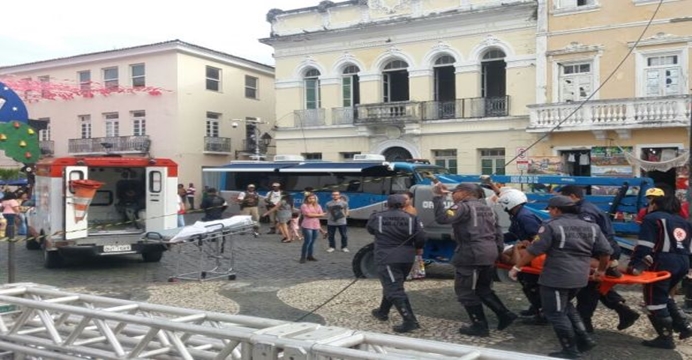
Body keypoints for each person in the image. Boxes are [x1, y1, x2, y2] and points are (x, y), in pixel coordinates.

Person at [510, 195, 612, 359]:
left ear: (556, 210)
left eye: (550, 209)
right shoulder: (592, 227)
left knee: (555, 313)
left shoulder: (551, 226)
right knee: (566, 306)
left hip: (557, 276)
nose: (549, 212)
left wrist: (516, 267)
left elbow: (534, 250)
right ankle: (584, 339)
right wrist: (600, 270)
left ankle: (570, 350)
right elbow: (606, 252)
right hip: (580, 276)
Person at [432, 182, 516, 337]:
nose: (453, 195)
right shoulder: (489, 209)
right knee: (483, 289)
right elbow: (498, 234)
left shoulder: (463, 207)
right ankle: (504, 314)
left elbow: (442, 218)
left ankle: (479, 326)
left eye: (455, 192)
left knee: (465, 291)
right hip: (489, 252)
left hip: (471, 254)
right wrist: (496, 253)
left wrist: (437, 198)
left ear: (464, 192)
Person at [560, 185, 639, 333]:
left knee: (588, 287)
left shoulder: (585, 212)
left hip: (600, 251)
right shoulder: (585, 208)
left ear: (572, 197)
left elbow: (587, 236)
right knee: (595, 285)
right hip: (603, 249)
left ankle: (584, 324)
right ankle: (623, 311)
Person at [628, 189, 692, 350]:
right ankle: (683, 326)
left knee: (654, 299)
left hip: (663, 262)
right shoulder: (685, 222)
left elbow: (645, 246)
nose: (648, 206)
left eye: (650, 203)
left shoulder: (652, 218)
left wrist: (634, 265)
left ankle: (665, 338)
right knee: (665, 295)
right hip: (683, 262)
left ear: (655, 204)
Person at [369, 194, 426, 333]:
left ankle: (410, 321)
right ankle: (383, 311)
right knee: (394, 284)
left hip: (387, 257)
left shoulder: (377, 216)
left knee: (394, 288)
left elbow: (370, 230)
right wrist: (417, 247)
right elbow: (421, 237)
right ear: (403, 204)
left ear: (387, 204)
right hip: (407, 257)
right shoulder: (413, 218)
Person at [497, 189, 545, 324]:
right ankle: (536, 308)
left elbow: (536, 237)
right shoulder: (517, 216)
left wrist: (525, 247)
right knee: (527, 283)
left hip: (533, 256)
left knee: (531, 284)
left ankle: (540, 313)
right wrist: (497, 238)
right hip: (530, 254)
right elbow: (513, 234)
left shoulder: (524, 217)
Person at [299, 193, 325, 263]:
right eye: (310, 198)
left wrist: (316, 215)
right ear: (307, 199)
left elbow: (322, 215)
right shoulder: (304, 206)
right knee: (307, 241)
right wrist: (318, 215)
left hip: (316, 226)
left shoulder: (318, 206)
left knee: (312, 242)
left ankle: (310, 256)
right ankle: (303, 257)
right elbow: (308, 215)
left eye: (313, 198)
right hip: (307, 225)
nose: (311, 200)